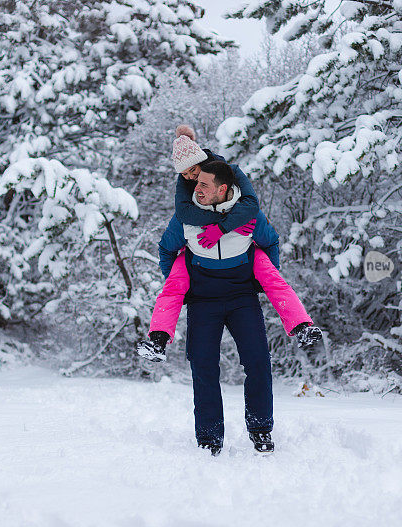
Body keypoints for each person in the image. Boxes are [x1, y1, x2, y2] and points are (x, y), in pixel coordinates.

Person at [137, 125, 322, 362]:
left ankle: (301, 326)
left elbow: (252, 206)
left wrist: (231, 228)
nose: (190, 178)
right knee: (173, 285)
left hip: (243, 253)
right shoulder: (185, 183)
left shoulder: (231, 174)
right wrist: (182, 280)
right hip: (197, 256)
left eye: (193, 171)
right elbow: (182, 216)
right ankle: (157, 341)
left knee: (272, 277)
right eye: (184, 174)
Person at [155, 160, 279, 454]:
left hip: (242, 298)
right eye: (194, 183)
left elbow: (271, 241)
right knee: (203, 367)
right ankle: (209, 437)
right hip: (202, 301)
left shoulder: (248, 214)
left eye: (203, 185)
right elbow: (165, 249)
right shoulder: (185, 217)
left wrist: (263, 279)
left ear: (222, 189)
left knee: (259, 362)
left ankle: (260, 429)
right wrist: (180, 286)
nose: (194, 189)